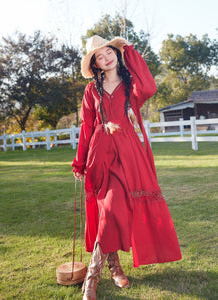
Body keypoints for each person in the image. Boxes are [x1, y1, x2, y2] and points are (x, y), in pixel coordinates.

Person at [72, 35, 182, 300]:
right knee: (107, 210)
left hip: (128, 154)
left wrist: (129, 49)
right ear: (95, 64)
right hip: (101, 154)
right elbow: (87, 127)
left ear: (115, 53)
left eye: (109, 51)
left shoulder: (132, 84)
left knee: (112, 209)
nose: (106, 56)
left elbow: (150, 86)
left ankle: (92, 279)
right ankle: (114, 267)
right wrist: (80, 160)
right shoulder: (91, 91)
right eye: (100, 55)